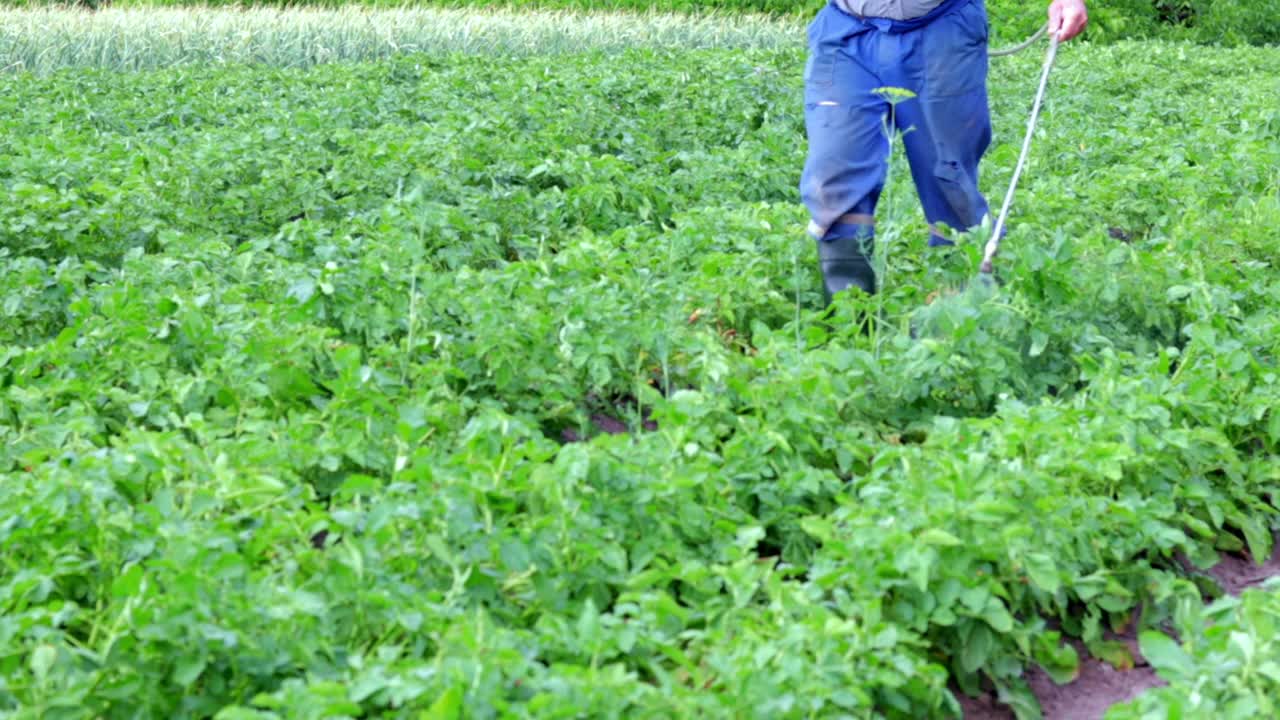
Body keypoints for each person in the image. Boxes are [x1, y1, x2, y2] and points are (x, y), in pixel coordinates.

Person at [801, 0, 1087, 305]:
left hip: (942, 31)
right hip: (847, 32)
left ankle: (962, 316)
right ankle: (850, 319)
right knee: (834, 169)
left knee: (949, 176)